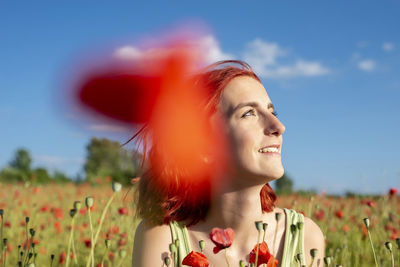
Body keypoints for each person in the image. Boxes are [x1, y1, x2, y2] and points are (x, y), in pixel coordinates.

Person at [132, 60, 325, 267]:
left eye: (272, 112)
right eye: (248, 113)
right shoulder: (164, 240)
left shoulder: (303, 237)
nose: (279, 126)